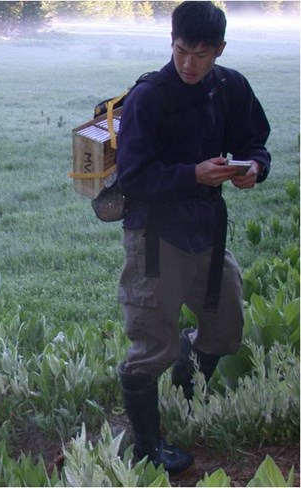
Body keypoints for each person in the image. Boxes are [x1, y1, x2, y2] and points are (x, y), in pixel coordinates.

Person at [115, 1, 270, 475]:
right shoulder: (149, 97)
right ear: (171, 43)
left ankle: (186, 390)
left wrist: (256, 169)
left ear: (219, 50)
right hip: (156, 235)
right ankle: (145, 447)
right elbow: (133, 179)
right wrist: (193, 175)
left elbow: (255, 141)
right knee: (150, 344)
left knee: (225, 324)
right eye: (182, 51)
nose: (189, 63)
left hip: (208, 228)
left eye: (201, 55)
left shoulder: (230, 87)